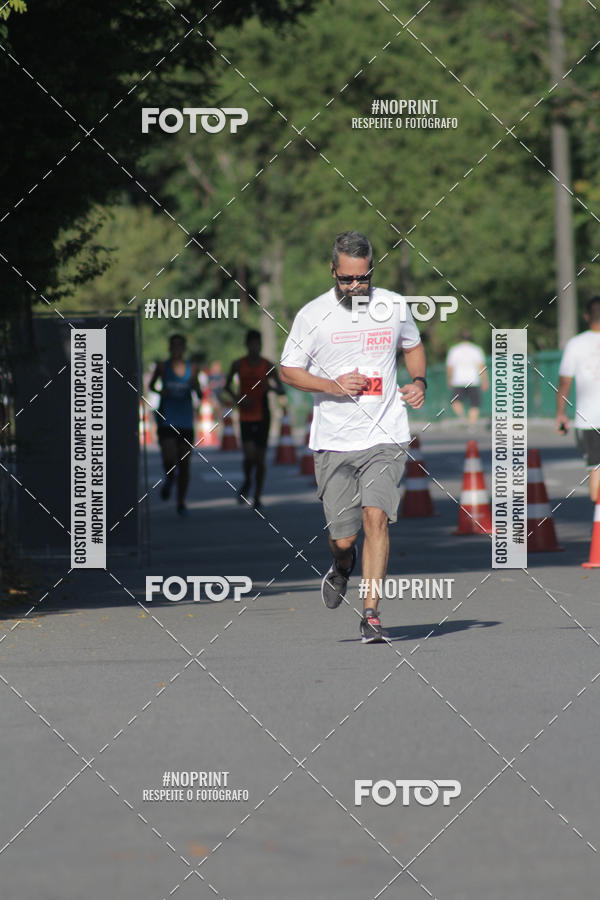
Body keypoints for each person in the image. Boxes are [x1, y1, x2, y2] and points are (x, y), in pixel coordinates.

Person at [280, 230, 426, 644]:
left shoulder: (394, 305)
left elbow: (413, 346)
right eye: (346, 279)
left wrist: (419, 381)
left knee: (375, 517)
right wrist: (331, 385)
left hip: (386, 434)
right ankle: (342, 565)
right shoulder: (312, 316)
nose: (355, 286)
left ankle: (371, 613)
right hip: (333, 441)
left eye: (362, 278)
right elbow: (288, 371)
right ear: (333, 272)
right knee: (343, 537)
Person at [224, 329, 286, 512]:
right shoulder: (238, 364)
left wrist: (270, 388)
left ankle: (257, 496)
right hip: (245, 415)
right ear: (247, 345)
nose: (255, 348)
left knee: (260, 459)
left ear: (260, 345)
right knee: (249, 456)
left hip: (263, 414)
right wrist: (237, 398)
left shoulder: (267, 366)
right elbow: (227, 385)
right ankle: (247, 480)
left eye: (257, 344)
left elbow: (281, 389)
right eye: (251, 344)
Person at [149, 334, 202, 516]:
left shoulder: (192, 368)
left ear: (184, 348)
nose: (177, 349)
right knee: (169, 458)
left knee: (185, 464)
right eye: (174, 346)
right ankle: (170, 479)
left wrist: (196, 387)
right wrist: (160, 391)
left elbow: (200, 394)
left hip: (186, 421)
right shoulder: (163, 367)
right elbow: (151, 386)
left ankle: (181, 502)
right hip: (167, 420)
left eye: (180, 345)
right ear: (169, 348)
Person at [556, 296, 600, 503]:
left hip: (588, 419)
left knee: (596, 468)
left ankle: (598, 519)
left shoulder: (576, 344)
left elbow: (565, 381)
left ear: (585, 316)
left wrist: (560, 414)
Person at [446, 330, 489, 423]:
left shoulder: (454, 350)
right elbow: (481, 367)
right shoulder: (477, 349)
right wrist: (485, 380)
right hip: (473, 380)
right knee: (474, 404)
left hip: (458, 380)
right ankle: (471, 424)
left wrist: (449, 379)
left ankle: (462, 416)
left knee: (455, 401)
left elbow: (450, 367)